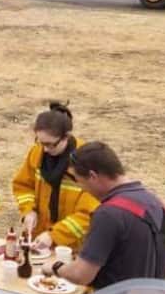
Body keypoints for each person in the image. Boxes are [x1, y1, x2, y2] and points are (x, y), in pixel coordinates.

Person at [42, 142, 165, 289]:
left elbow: (81, 274)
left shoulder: (109, 214)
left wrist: (56, 267)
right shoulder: (156, 204)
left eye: (80, 182)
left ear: (92, 176)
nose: (83, 190)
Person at [12, 102, 99, 250]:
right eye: (40, 143)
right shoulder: (36, 153)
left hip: (71, 246)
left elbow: (88, 214)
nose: (45, 150)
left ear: (66, 137)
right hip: (38, 239)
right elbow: (23, 185)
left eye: (50, 144)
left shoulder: (86, 163)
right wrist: (28, 210)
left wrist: (54, 236)